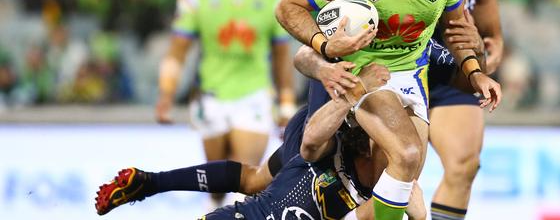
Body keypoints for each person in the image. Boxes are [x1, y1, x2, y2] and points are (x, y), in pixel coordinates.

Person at [275, 0, 501, 220]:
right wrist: (325, 45)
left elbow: (457, 32)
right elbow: (287, 7)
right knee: (407, 153)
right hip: (366, 74)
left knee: (406, 190)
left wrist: (475, 72)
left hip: (411, 76)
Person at [95, 63, 427, 220]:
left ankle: (148, 183)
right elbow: (312, 138)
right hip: (320, 129)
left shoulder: (395, 188)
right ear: (372, 143)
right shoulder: (332, 150)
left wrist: (420, 216)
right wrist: (352, 88)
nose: (404, 160)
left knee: (254, 179)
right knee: (329, 62)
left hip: (317, 139)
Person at [155, 0, 296, 204]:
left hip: (254, 95)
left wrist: (286, 102)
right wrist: (166, 94)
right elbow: (177, 51)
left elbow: (281, 56)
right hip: (212, 96)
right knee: (216, 186)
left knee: (246, 184)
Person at [426, 0, 505, 219]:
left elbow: (485, 3)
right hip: (406, 59)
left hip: (456, 71)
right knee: (387, 175)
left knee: (464, 166)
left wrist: (495, 42)